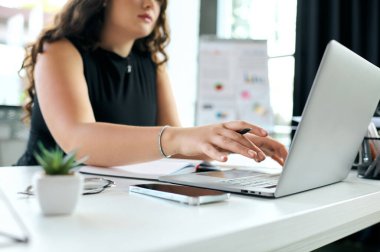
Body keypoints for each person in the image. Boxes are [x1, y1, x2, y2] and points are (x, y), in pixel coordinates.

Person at [16, 0, 288, 167]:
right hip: (42, 195)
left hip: (111, 196)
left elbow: (179, 148)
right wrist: (178, 137)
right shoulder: (59, 50)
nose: (150, 4)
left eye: (159, 0)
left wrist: (228, 142)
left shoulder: (152, 63)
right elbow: (78, 140)